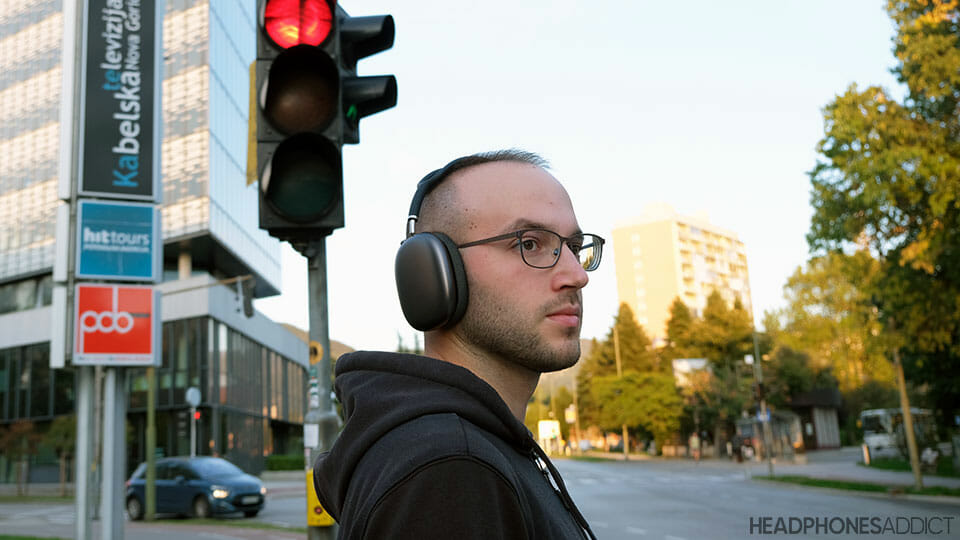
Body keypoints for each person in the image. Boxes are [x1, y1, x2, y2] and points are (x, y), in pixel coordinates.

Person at [313, 150, 601, 539]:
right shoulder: (451, 468)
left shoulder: (472, 449)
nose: (576, 275)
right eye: (530, 244)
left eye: (574, 246)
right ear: (433, 273)